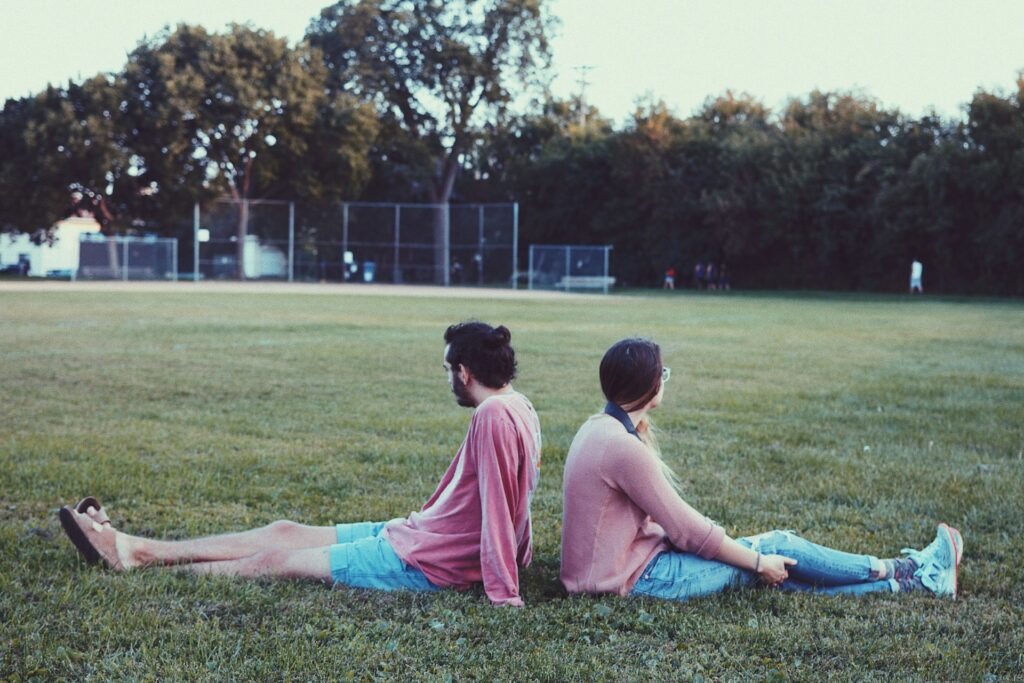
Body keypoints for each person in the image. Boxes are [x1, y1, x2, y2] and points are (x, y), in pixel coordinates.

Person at [60, 322, 543, 607]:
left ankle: (136, 559)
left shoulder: (494, 416)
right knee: (285, 529)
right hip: (416, 534)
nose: (448, 382)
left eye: (447, 373)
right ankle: (130, 548)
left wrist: (505, 592)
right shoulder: (517, 405)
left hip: (430, 562)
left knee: (276, 561)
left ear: (464, 372)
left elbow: (502, 509)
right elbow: (516, 500)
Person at [560, 338, 963, 603]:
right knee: (777, 547)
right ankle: (900, 569)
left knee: (776, 567)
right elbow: (688, 532)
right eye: (661, 374)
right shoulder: (623, 447)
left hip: (613, 572)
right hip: (636, 581)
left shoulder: (599, 427)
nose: (665, 380)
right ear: (647, 388)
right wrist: (755, 561)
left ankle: (908, 582)